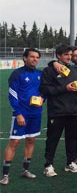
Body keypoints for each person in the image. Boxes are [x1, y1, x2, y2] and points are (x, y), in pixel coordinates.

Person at [40, 45, 77, 176]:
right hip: (57, 111)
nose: (69, 57)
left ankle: (70, 162)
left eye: (70, 55)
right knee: (53, 139)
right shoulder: (49, 71)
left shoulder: (75, 70)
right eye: (66, 55)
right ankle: (48, 165)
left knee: (72, 138)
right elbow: (45, 90)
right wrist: (65, 88)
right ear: (58, 56)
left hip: (73, 110)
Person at [1, 49, 43, 185]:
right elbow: (12, 95)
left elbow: (44, 91)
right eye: (32, 57)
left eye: (37, 57)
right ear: (24, 58)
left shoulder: (40, 74)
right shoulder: (17, 74)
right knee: (14, 142)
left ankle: (25, 170)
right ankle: (5, 175)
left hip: (35, 114)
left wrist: (42, 99)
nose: (35, 59)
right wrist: (18, 113)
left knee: (31, 140)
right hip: (21, 114)